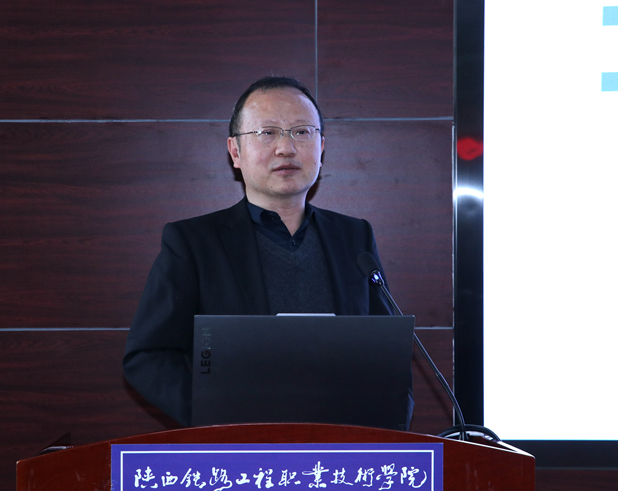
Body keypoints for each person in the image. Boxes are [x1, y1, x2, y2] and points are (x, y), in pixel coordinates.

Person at [123, 76, 413, 427]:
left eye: (302, 132)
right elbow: (148, 356)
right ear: (235, 151)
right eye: (267, 132)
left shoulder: (354, 237)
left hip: (343, 446)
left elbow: (386, 353)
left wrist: (386, 421)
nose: (286, 148)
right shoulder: (194, 242)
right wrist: (217, 417)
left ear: (321, 146)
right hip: (240, 449)